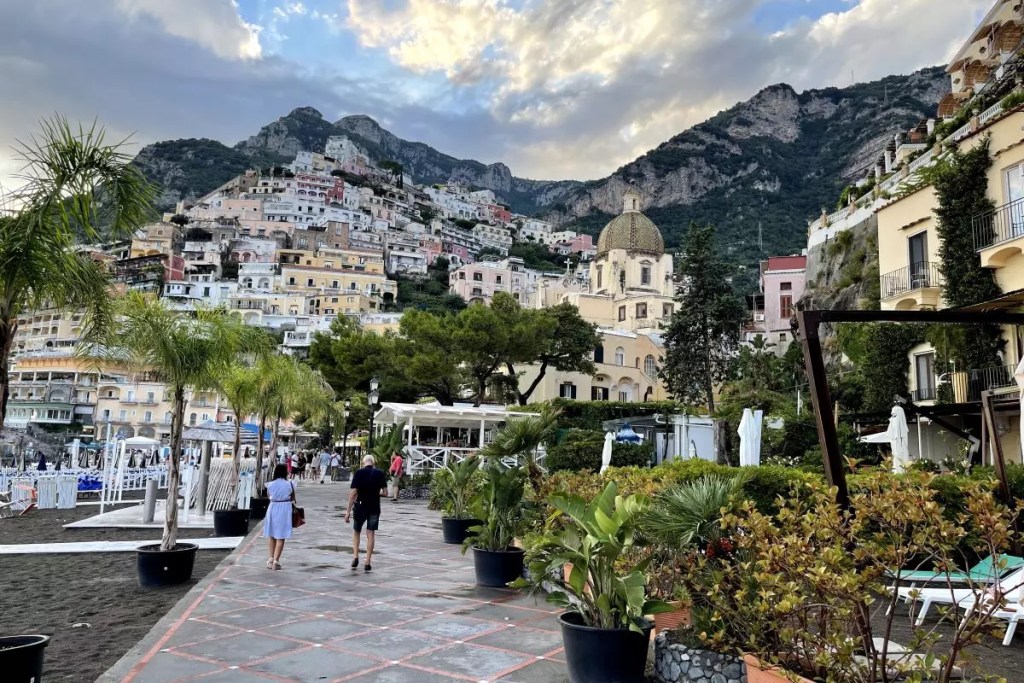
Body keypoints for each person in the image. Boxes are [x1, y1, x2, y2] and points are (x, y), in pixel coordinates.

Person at [345, 454, 387, 572]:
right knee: (370, 533)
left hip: (360, 506)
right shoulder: (380, 473)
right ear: (373, 463)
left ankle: (355, 556)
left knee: (356, 531)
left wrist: (348, 510)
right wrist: (375, 493)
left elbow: (353, 493)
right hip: (374, 507)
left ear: (364, 462)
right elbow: (385, 493)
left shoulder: (359, 473)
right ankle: (368, 561)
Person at [263, 464, 297, 570]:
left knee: (272, 535)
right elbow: (292, 497)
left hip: (273, 507)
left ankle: (270, 559)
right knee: (281, 536)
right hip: (285, 509)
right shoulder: (290, 484)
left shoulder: (270, 484)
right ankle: (276, 561)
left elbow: (269, 496)